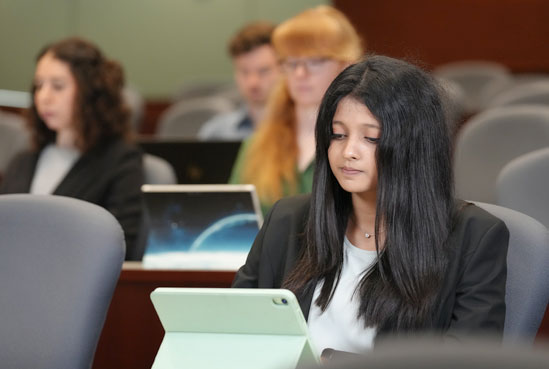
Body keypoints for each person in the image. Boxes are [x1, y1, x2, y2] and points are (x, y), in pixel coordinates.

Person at [233, 55, 509, 356]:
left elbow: (465, 362)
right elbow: (233, 327)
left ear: (413, 146)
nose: (348, 151)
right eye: (338, 134)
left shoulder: (475, 237)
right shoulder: (287, 219)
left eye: (371, 138)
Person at [0, 37, 144, 260]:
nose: (44, 97)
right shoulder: (23, 160)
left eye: (57, 86)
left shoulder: (120, 160)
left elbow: (122, 246)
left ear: (90, 92)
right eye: (39, 85)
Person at [229, 6, 363, 214]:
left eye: (315, 61)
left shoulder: (363, 145)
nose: (300, 73)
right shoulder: (257, 145)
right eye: (291, 62)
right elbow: (235, 218)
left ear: (346, 66)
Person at [197, 21, 280, 141]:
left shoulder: (305, 131)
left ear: (284, 69)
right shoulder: (216, 132)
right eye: (244, 72)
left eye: (263, 71)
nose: (253, 82)